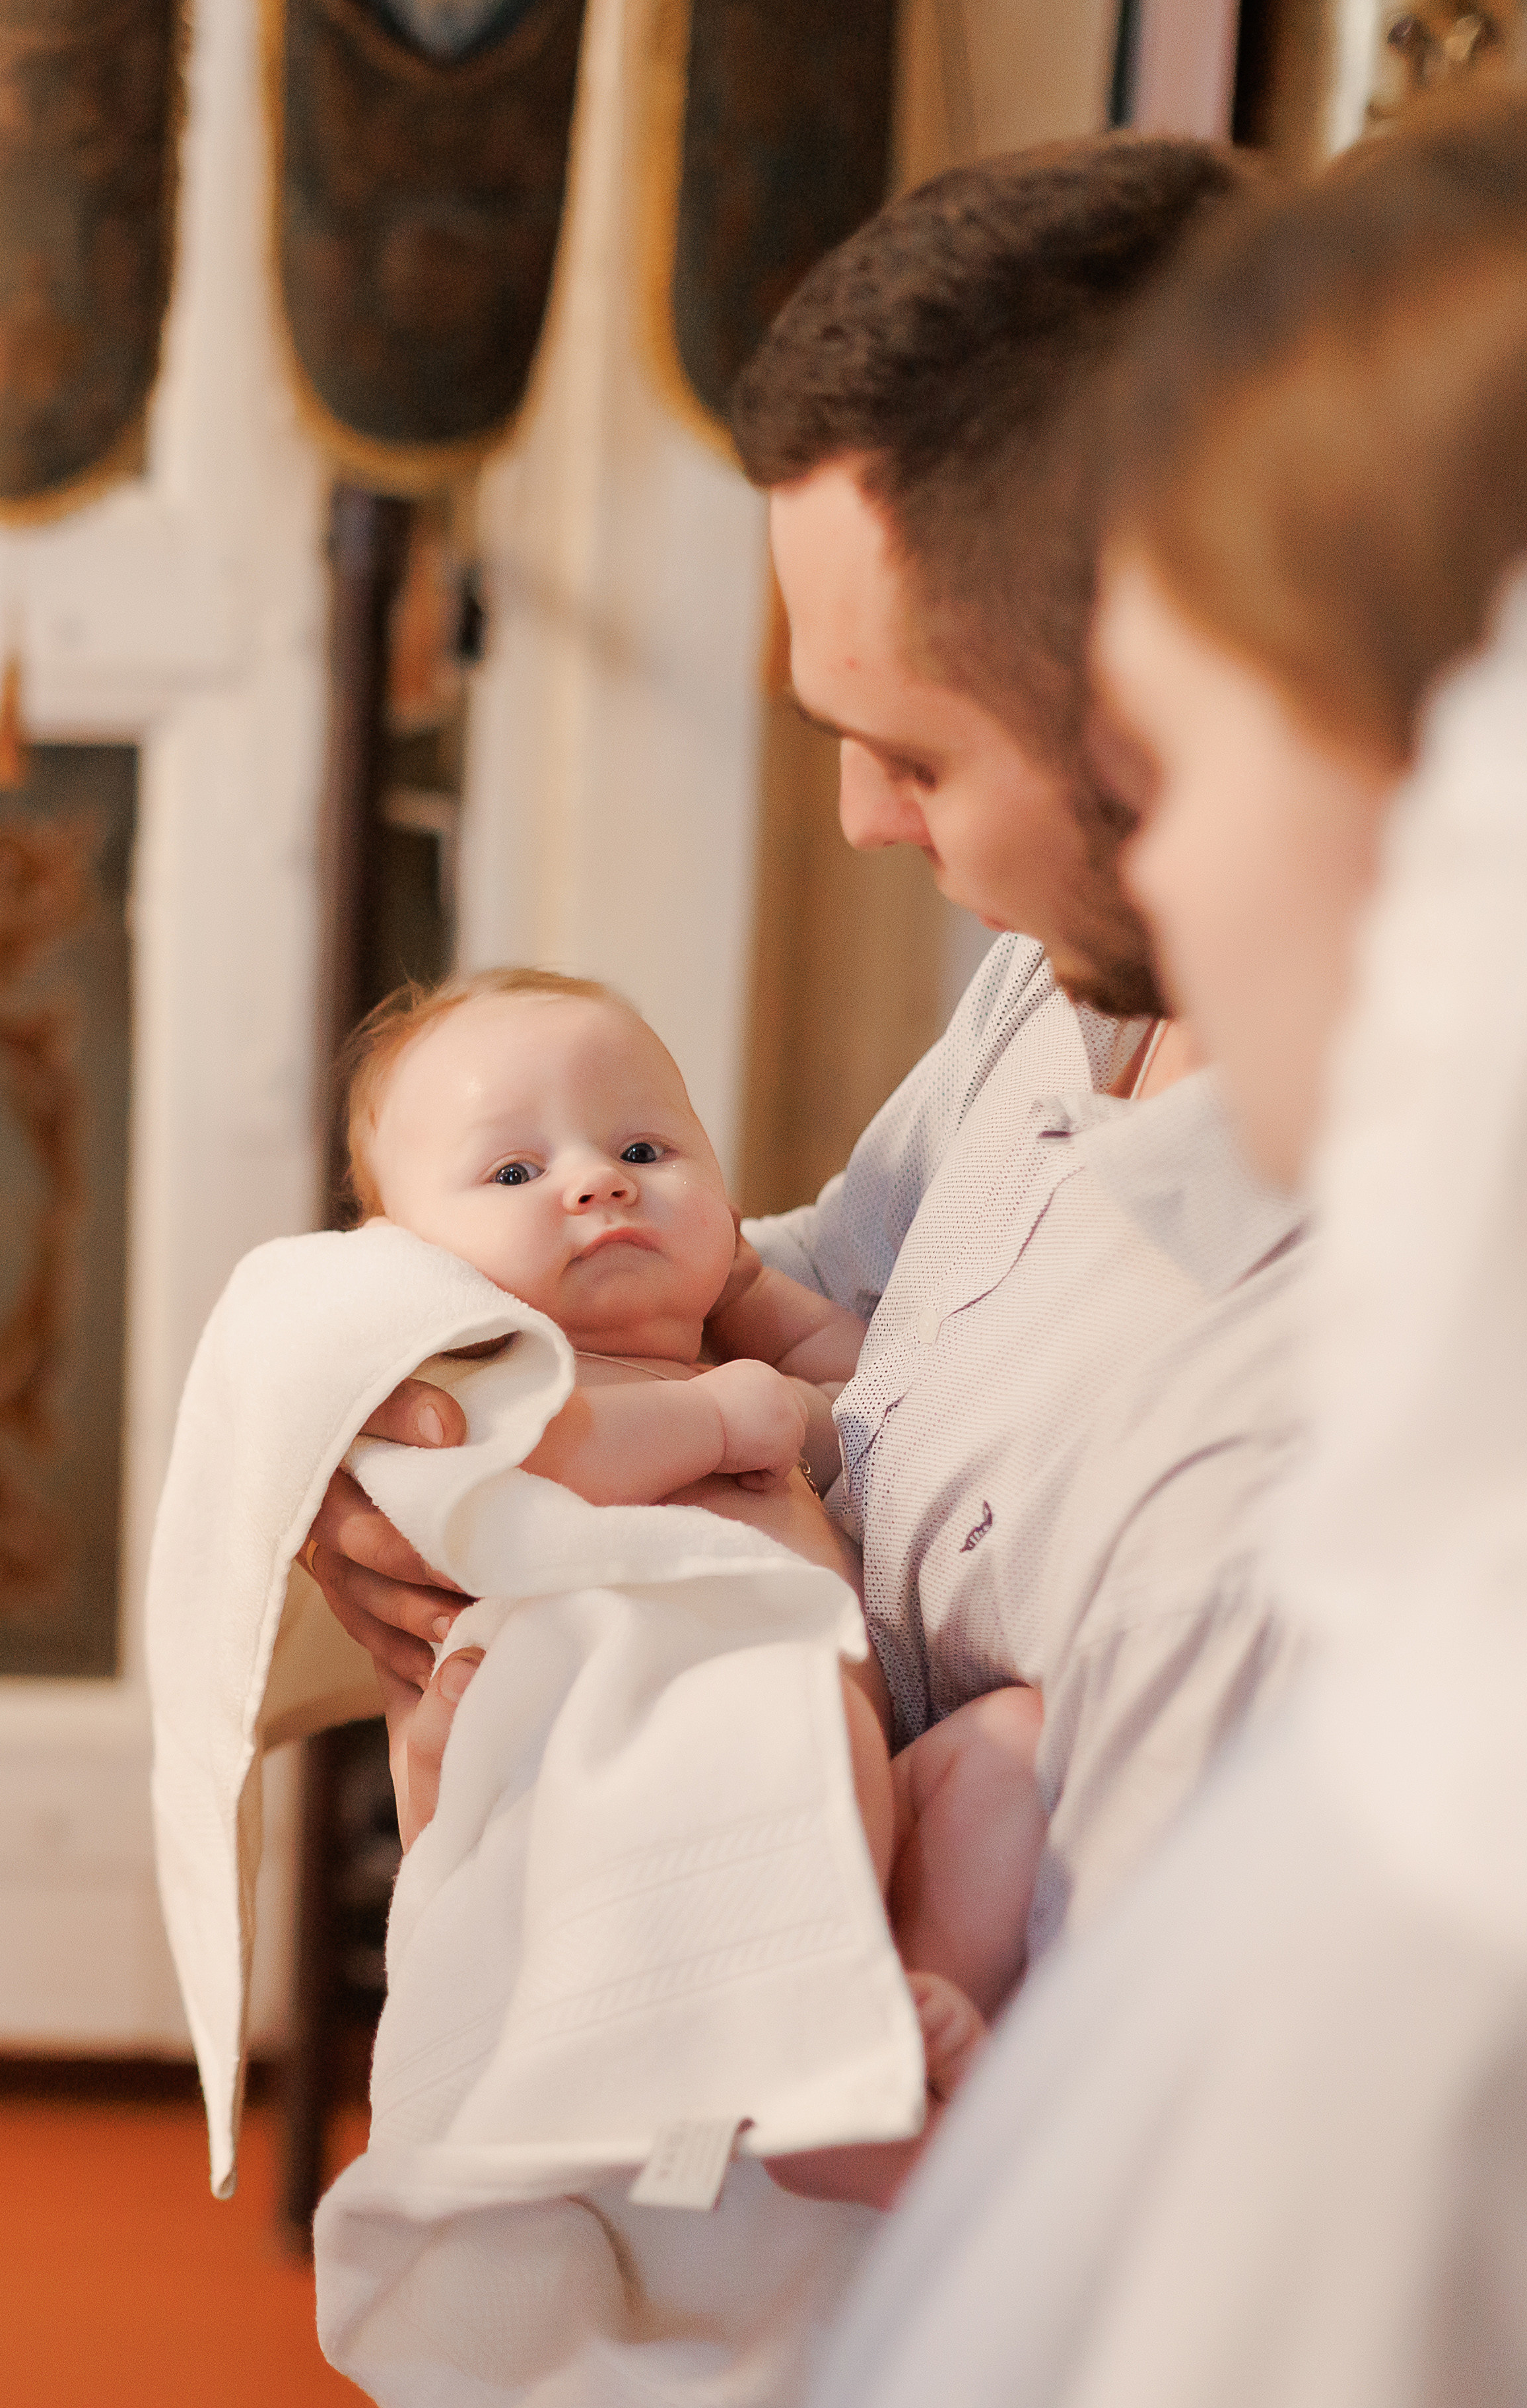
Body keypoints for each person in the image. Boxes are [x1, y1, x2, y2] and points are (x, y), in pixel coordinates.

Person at [309, 136, 1306, 1977]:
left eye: (917, 756)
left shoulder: (1261, 1489)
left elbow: (1064, 2196)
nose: (860, 818)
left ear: (1182, 698)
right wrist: (398, 1437)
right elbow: (788, 1278)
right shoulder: (1077, 979)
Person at [808, 88, 1527, 2407]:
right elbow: (833, 1281)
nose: (1182, 856)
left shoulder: (1289, 1546)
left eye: (1191, 755)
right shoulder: (1058, 970)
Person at [339, 960, 1047, 2197]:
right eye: (514, 1174)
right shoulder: (494, 1371)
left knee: (1019, 1754)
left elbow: (876, 1388)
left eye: (646, 1147)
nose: (596, 1181)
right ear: (408, 1264)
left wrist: (752, 1290)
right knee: (701, 1738)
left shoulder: (733, 1340)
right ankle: (775, 2055)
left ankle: (883, 2019)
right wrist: (723, 1425)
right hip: (627, 1780)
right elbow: (538, 1475)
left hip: (835, 1797)